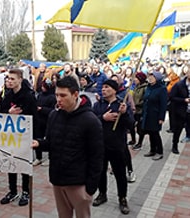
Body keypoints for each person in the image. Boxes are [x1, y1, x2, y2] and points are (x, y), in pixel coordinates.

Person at [32, 76, 104, 218]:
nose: (58, 99)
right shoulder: (54, 115)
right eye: (57, 95)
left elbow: (97, 157)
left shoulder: (90, 120)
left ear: (75, 94)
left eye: (63, 95)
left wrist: (89, 189)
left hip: (79, 184)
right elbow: (51, 143)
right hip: (58, 180)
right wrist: (39, 144)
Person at [92, 79, 134, 215]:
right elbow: (90, 122)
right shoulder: (98, 105)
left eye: (107, 87)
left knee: (120, 174)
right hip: (100, 145)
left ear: (115, 90)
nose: (103, 90)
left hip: (117, 146)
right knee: (100, 172)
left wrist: (125, 113)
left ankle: (122, 198)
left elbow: (131, 125)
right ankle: (102, 193)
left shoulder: (122, 105)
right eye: (102, 87)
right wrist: (102, 118)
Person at [0, 68, 37, 207]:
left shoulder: (28, 96)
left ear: (20, 80)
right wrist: (9, 113)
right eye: (8, 78)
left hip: (24, 136)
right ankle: (12, 190)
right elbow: (1, 111)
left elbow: (33, 116)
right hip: (10, 135)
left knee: (23, 164)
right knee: (10, 163)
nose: (9, 81)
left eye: (12, 79)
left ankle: (26, 191)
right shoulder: (7, 95)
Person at [142, 71, 167, 160]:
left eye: (153, 77)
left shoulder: (162, 89)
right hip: (147, 114)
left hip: (155, 115)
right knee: (150, 132)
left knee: (155, 133)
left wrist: (161, 117)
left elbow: (163, 104)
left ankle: (159, 152)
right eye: (149, 77)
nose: (150, 79)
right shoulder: (148, 88)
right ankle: (152, 150)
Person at [33, 78, 56, 166]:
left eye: (44, 86)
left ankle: (50, 158)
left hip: (48, 121)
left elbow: (53, 110)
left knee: (49, 139)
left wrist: (42, 109)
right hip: (39, 121)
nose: (42, 88)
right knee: (38, 138)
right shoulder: (39, 95)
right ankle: (38, 157)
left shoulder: (52, 97)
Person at [169, 63, 190, 154]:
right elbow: (172, 97)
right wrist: (184, 100)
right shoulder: (179, 85)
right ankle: (175, 145)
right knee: (178, 129)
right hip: (181, 111)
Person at [132, 72, 148, 151]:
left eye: (136, 78)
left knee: (140, 128)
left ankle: (140, 143)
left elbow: (145, 100)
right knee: (132, 125)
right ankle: (133, 140)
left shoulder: (145, 88)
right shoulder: (136, 87)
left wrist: (137, 104)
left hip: (141, 111)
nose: (135, 79)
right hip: (135, 110)